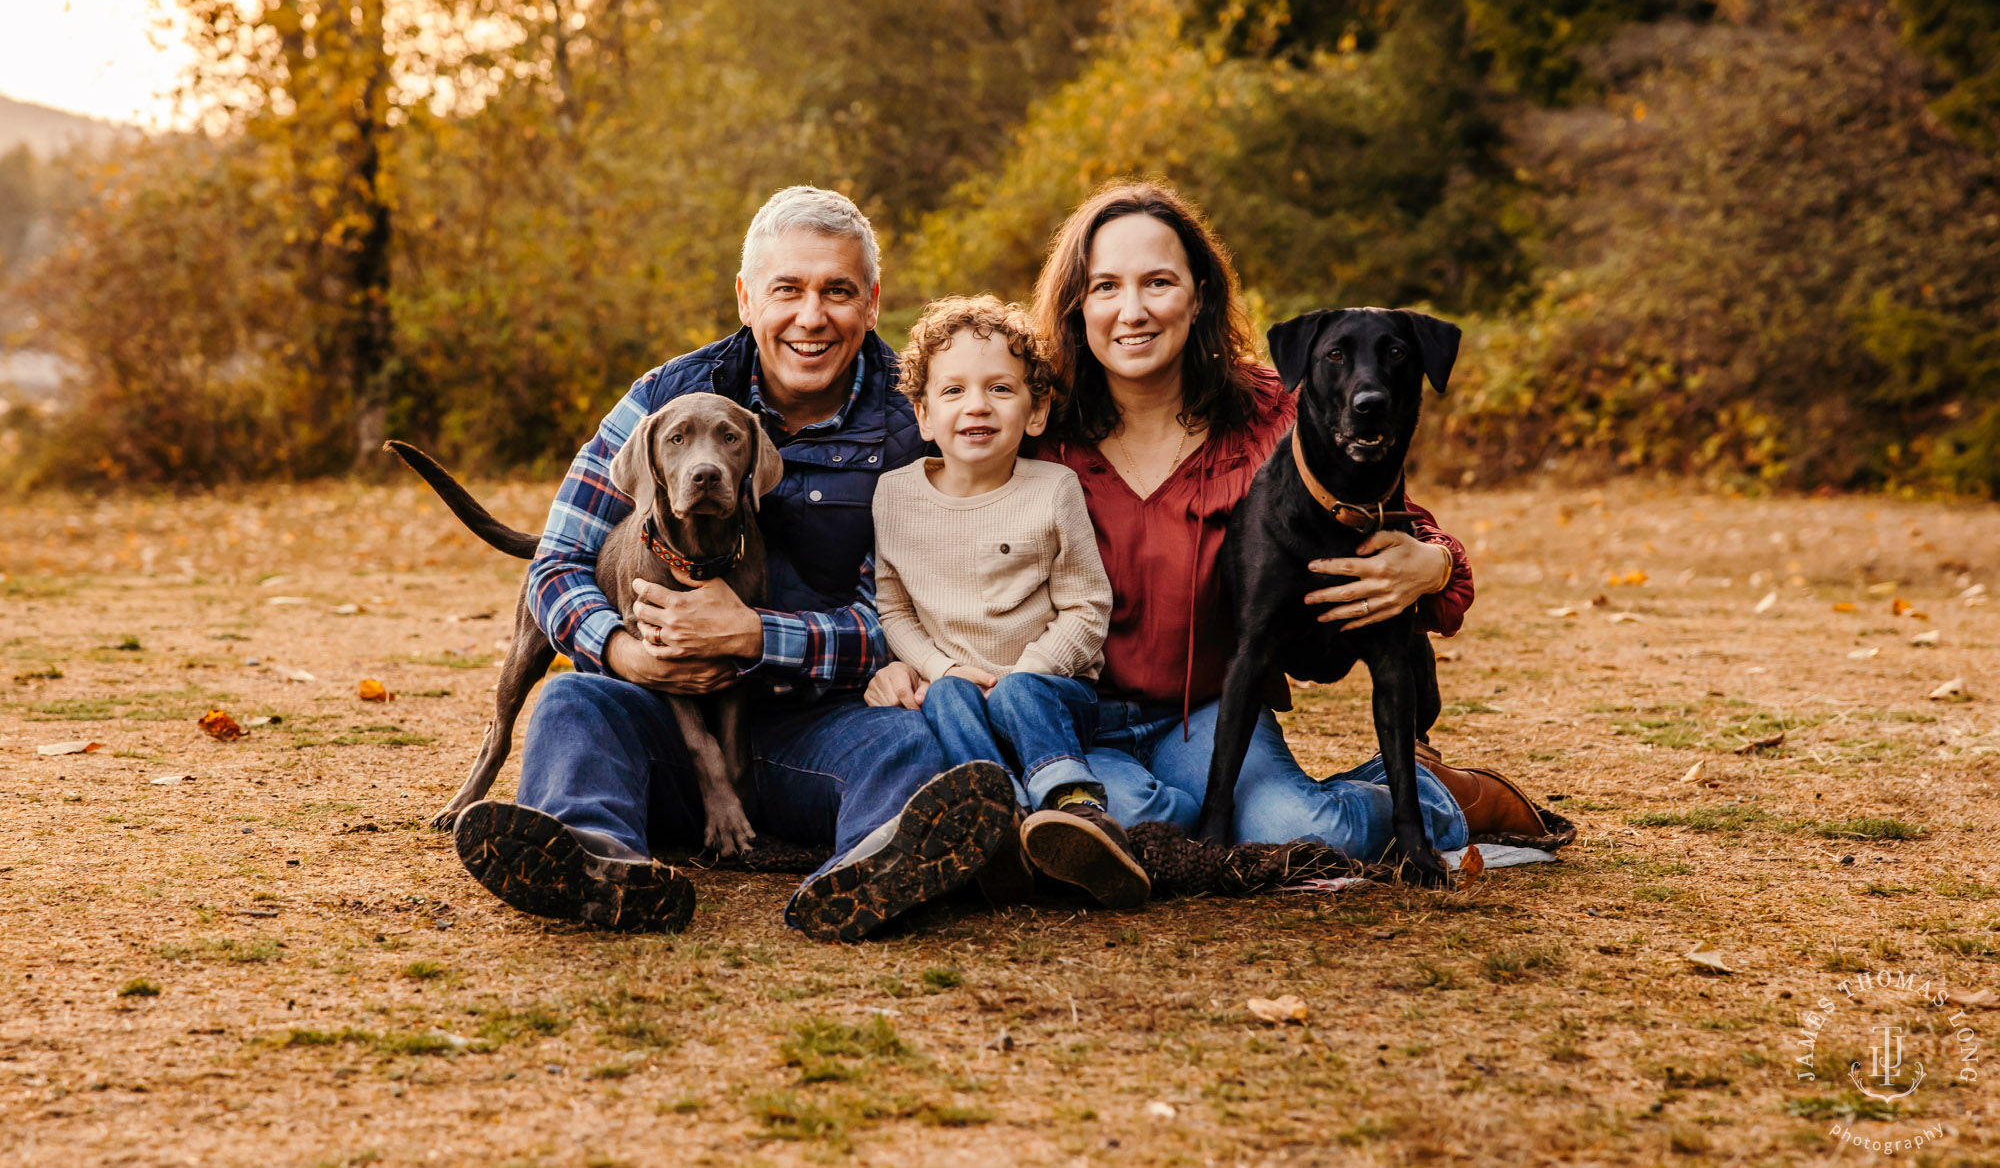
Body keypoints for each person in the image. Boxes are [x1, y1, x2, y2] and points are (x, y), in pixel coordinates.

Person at [448, 186, 1015, 944]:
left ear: (873, 303)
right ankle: (594, 859)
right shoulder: (663, 399)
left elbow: (925, 617)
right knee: (570, 707)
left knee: (906, 747)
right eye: (788, 289)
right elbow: (555, 566)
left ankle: (874, 869)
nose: (811, 317)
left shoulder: (918, 423)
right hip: (665, 729)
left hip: (823, 729)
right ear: (748, 298)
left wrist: (756, 635)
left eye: (838, 292)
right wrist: (625, 653)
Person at [1025, 180, 1549, 859]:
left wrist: (1435, 564)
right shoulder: (1036, 426)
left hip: (1209, 714)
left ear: (1200, 295)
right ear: (1076, 304)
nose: (1133, 311)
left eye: (1158, 282)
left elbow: (1403, 523)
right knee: (1128, 828)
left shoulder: (1277, 411)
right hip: (1079, 715)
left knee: (1297, 830)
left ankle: (1435, 797)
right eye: (1105, 287)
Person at [866, 295, 1147, 910]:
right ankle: (998, 823)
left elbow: (1087, 607)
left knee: (1018, 695)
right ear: (922, 414)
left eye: (999, 388)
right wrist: (942, 669)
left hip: (1053, 693)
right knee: (947, 696)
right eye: (953, 392)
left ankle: (1076, 809)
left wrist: (1030, 672)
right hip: (959, 694)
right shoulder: (894, 496)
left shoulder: (1052, 489)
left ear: (1037, 409)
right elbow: (894, 611)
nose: (977, 406)